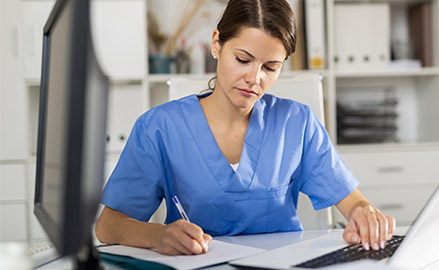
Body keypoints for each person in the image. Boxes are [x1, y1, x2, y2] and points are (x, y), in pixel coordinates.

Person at [95, 0, 395, 256]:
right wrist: (159, 236)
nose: (254, 79)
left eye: (270, 67)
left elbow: (353, 202)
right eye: (243, 59)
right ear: (216, 44)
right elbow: (108, 225)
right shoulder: (159, 128)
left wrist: (364, 215)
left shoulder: (297, 123)